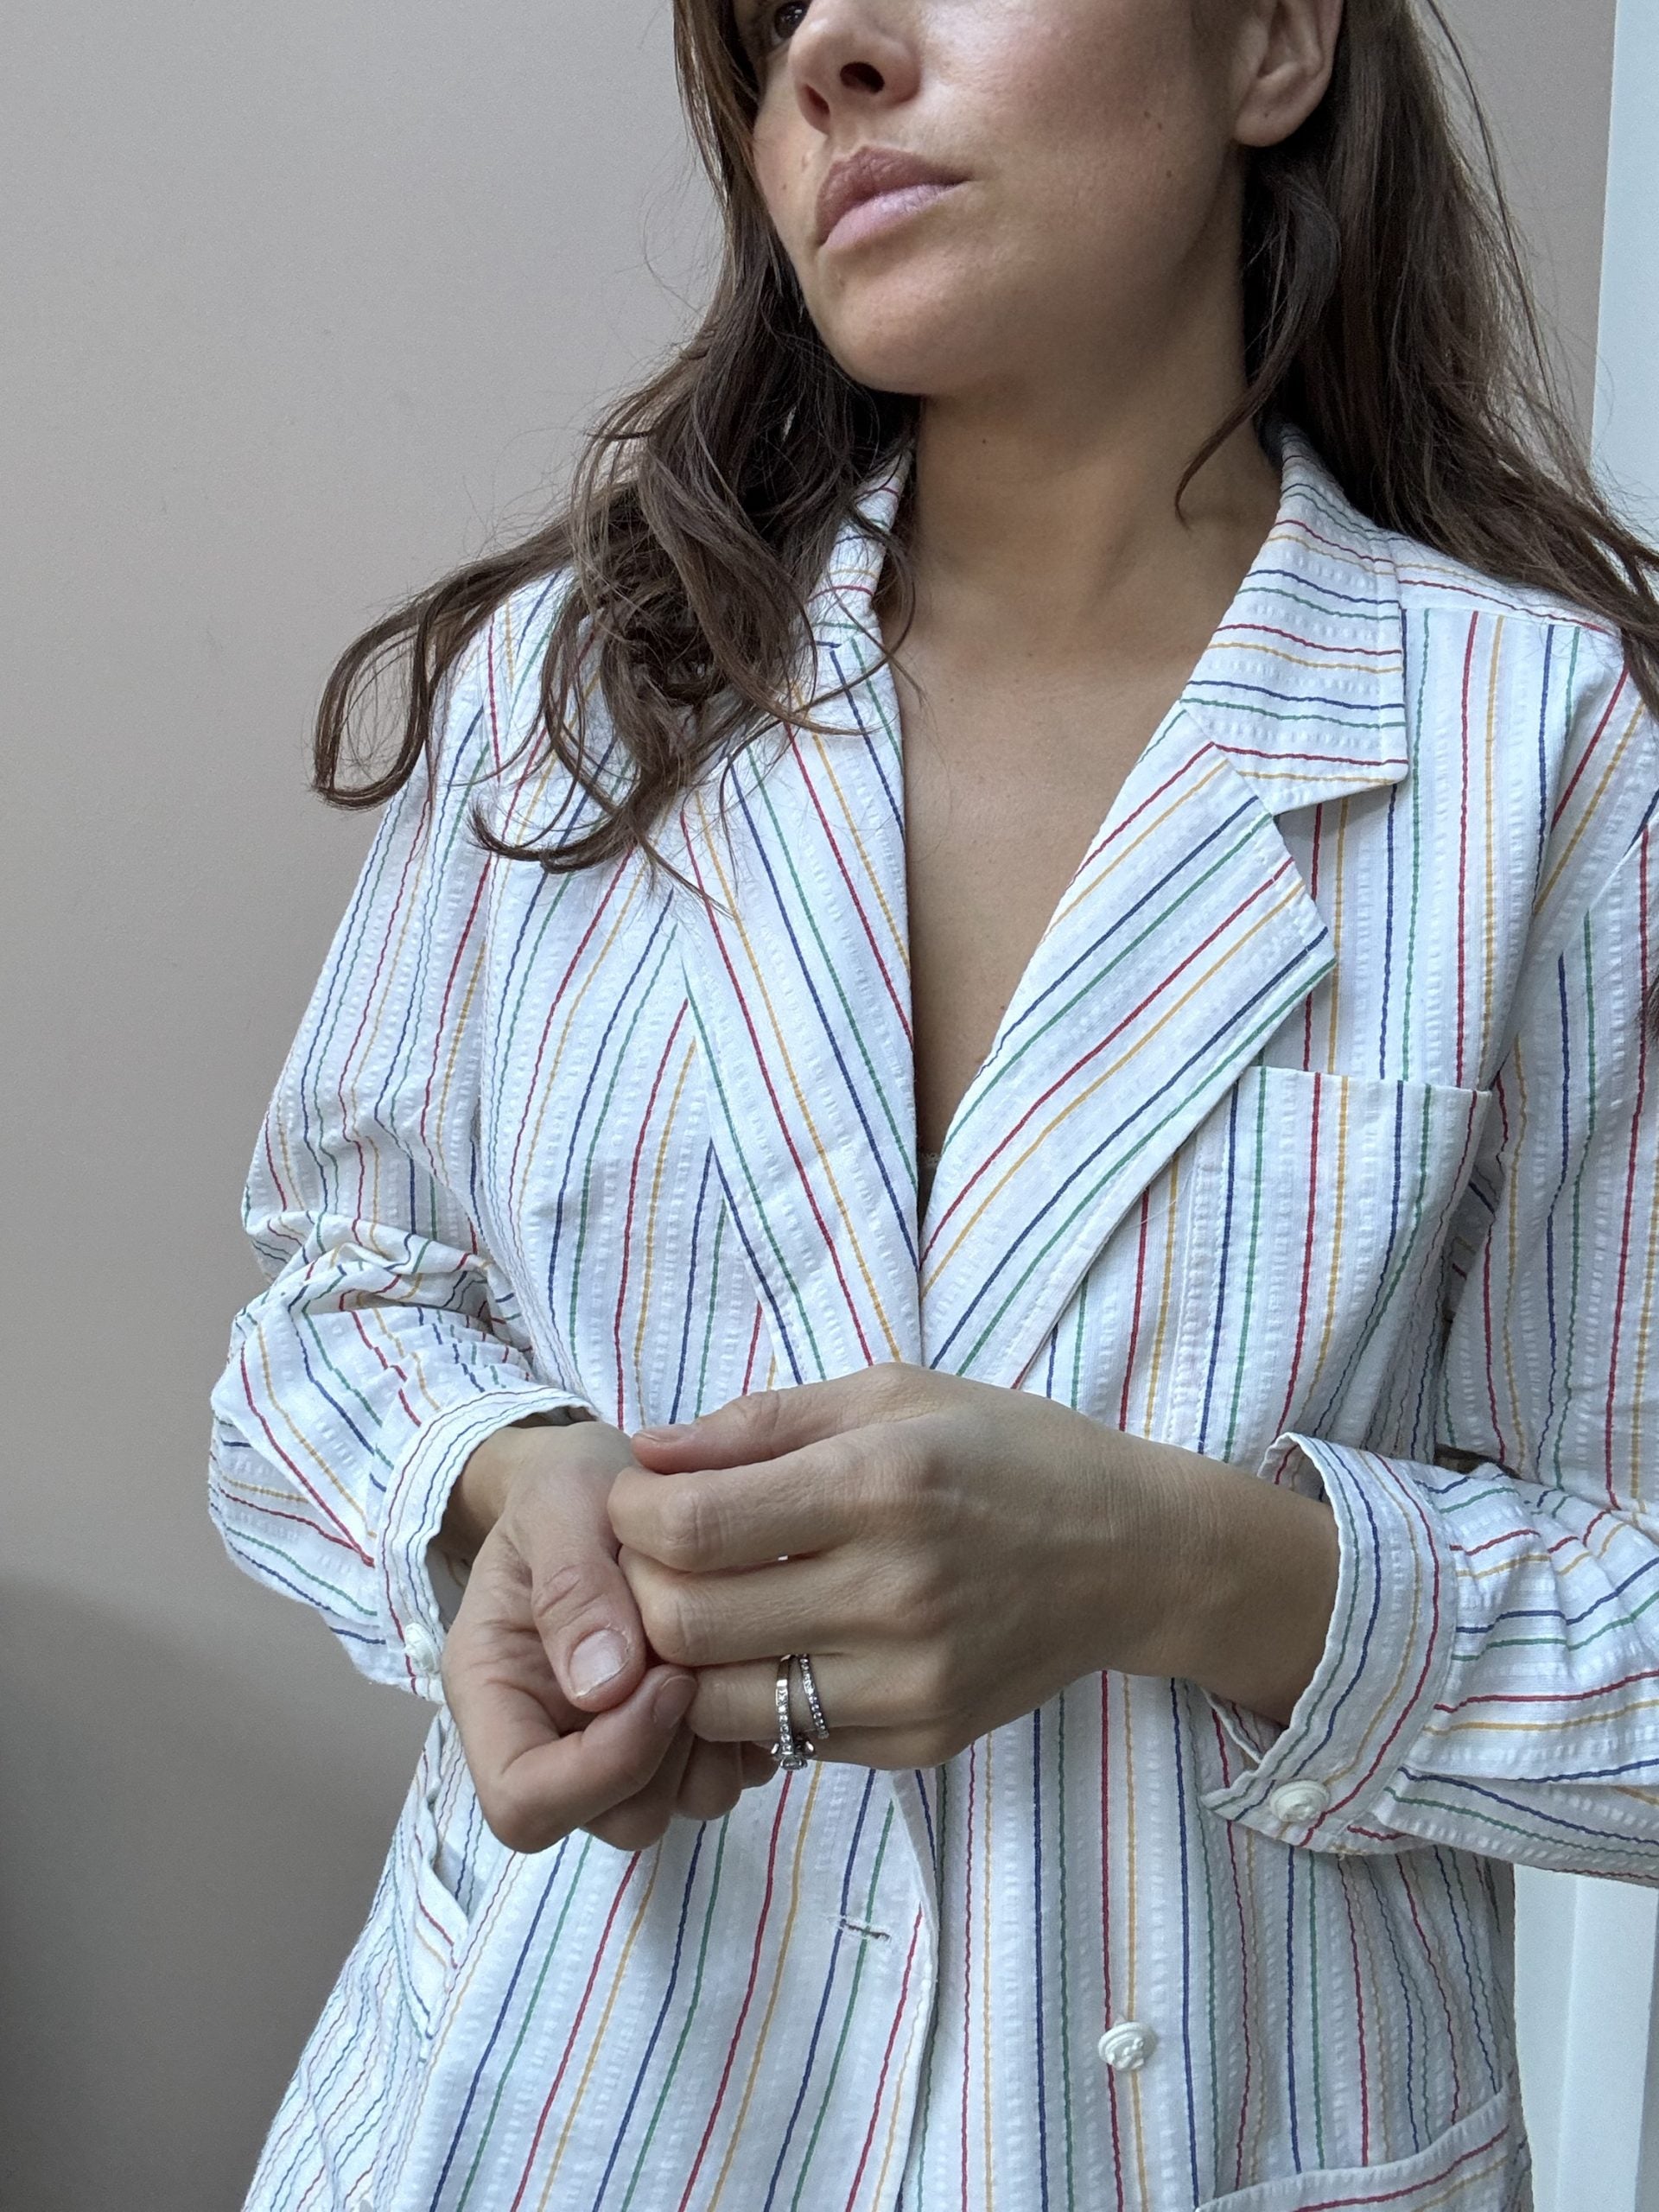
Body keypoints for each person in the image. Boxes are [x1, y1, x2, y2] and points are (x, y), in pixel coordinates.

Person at [207, 0, 1659, 2204]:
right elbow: (328, 1310)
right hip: (558, 2117)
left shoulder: (1552, 760)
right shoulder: (584, 691)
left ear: (1274, 43)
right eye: (770, 16)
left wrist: (1191, 1563)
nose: (831, 53)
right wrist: (510, 1484)